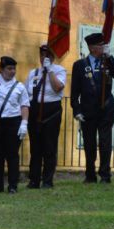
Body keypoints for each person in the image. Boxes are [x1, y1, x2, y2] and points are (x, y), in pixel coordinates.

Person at [70, 32, 114, 184]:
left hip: (106, 108)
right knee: (89, 143)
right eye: (101, 45)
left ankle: (105, 174)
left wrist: (110, 57)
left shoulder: (107, 61)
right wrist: (76, 110)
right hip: (88, 109)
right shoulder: (80, 65)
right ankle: (90, 174)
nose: (104, 47)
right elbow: (74, 91)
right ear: (92, 48)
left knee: (105, 142)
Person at [0, 56, 29, 193]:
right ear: (1, 69)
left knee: (12, 155)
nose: (12, 71)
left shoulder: (19, 86)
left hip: (13, 122)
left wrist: (24, 123)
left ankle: (13, 186)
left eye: (14, 69)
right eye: (9, 68)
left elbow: (24, 105)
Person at [25, 44, 66, 189]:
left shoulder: (59, 70)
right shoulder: (33, 73)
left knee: (49, 147)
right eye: (42, 55)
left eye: (47, 55)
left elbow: (57, 87)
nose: (44, 58)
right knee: (35, 148)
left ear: (53, 57)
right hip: (34, 112)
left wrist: (49, 71)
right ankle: (34, 180)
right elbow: (26, 94)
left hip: (51, 112)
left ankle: (47, 180)